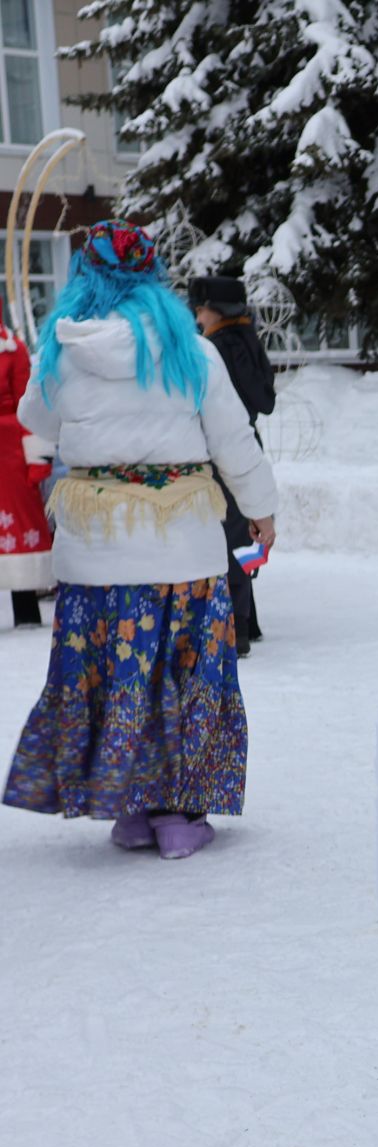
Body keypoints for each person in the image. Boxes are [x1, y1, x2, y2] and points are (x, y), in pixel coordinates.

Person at [2, 220, 276, 859]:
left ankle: (129, 810)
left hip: (95, 550)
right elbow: (232, 440)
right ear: (153, 274)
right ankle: (181, 817)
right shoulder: (189, 347)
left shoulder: (63, 349)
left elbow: (33, 419)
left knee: (117, 679)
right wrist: (261, 510)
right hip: (182, 545)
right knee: (186, 677)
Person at [189, 276, 276, 656]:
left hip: (220, 450)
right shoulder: (250, 340)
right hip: (246, 444)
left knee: (223, 540)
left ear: (216, 310)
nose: (196, 314)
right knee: (241, 537)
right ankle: (247, 620)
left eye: (202, 308)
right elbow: (266, 399)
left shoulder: (212, 349)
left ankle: (235, 628)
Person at [0, 316, 52, 627]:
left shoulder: (13, 349)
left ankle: (26, 609)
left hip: (9, 451)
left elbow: (28, 403)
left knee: (18, 524)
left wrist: (37, 459)